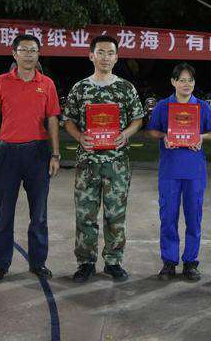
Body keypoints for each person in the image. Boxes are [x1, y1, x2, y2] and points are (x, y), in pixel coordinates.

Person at [63, 35, 144, 283]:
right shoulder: (80, 88)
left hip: (116, 163)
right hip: (87, 163)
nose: (105, 57)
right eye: (100, 52)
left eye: (110, 53)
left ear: (117, 57)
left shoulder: (126, 88)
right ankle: (86, 263)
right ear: (91, 56)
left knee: (115, 216)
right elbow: (68, 121)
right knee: (85, 215)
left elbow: (138, 119)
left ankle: (113, 262)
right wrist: (79, 137)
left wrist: (125, 134)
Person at [0, 34, 61, 282]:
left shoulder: (47, 84)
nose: (29, 54)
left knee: (39, 214)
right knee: (4, 213)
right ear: (14, 54)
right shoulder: (1, 82)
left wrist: (55, 154)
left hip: (38, 154)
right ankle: (1, 263)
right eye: (24, 50)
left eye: (33, 50)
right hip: (7, 154)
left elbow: (52, 120)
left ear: (38, 54)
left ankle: (38, 263)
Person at [146, 63, 211, 281]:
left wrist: (201, 137)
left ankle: (190, 262)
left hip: (194, 170)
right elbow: (152, 130)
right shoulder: (163, 106)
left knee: (194, 218)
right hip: (170, 170)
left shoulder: (201, 107)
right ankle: (169, 262)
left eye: (190, 80)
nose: (186, 84)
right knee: (168, 217)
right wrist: (164, 136)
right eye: (182, 80)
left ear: (194, 83)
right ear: (173, 82)